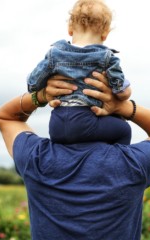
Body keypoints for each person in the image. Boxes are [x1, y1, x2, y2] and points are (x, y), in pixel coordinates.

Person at [0, 72, 150, 239]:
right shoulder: (133, 163)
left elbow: (6, 117)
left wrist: (41, 96)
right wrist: (123, 107)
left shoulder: (36, 159)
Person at [27, 0, 132, 145]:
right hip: (86, 121)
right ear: (105, 33)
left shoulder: (54, 54)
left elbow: (32, 84)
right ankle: (117, 163)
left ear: (70, 28)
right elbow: (121, 92)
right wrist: (126, 91)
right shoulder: (107, 58)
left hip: (56, 124)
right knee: (124, 130)